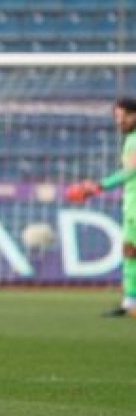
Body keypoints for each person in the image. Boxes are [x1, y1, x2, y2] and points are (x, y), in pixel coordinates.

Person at [66, 96, 136, 317]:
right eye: (117, 117)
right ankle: (130, 303)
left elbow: (131, 171)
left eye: (123, 116)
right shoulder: (130, 139)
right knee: (130, 253)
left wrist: (98, 186)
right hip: (131, 206)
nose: (119, 122)